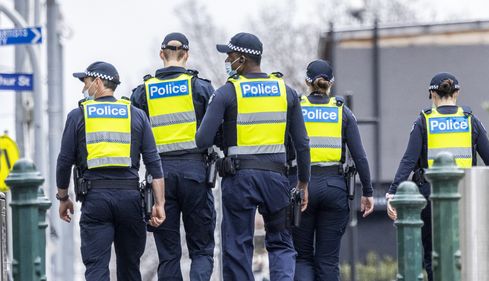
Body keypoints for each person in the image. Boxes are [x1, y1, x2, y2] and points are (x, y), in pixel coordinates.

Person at [195, 32, 311, 281]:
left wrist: (224, 135)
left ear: (242, 58)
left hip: (239, 178)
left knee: (237, 245)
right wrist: (303, 182)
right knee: (281, 243)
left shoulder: (227, 92)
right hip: (277, 178)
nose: (227, 60)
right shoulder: (286, 92)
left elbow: (202, 140)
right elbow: (302, 143)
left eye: (229, 55)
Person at [56, 61, 166, 281]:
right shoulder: (136, 115)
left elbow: (64, 161)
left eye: (85, 82)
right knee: (129, 268)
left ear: (97, 82)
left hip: (95, 201)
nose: (83, 89)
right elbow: (154, 162)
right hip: (130, 200)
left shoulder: (78, 116)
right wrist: (159, 203)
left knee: (96, 268)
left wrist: (63, 197)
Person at [386, 72, 489, 281]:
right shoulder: (470, 120)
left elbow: (408, 161)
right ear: (457, 93)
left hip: (431, 196)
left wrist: (392, 193)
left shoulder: (424, 121)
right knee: (465, 254)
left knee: (433, 257)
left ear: (432, 94)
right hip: (466, 196)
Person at [130, 32, 216, 281]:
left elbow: (135, 135)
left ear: (161, 55)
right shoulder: (201, 88)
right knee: (201, 250)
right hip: (195, 175)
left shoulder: (142, 92)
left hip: (160, 178)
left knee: (168, 254)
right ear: (186, 55)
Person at [292, 60, 374, 281]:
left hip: (302, 187)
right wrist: (367, 192)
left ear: (306, 81)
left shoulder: (297, 108)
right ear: (331, 83)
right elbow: (360, 157)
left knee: (302, 257)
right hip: (334, 188)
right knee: (327, 260)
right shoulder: (342, 111)